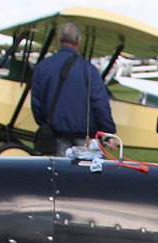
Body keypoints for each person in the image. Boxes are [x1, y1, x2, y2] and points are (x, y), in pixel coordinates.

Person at [29, 22, 115, 156]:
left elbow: (36, 103)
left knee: (62, 174)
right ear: (78, 41)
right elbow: (100, 103)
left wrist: (45, 125)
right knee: (89, 174)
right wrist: (108, 132)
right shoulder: (88, 69)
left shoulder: (41, 67)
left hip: (57, 135)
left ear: (59, 39)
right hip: (85, 137)